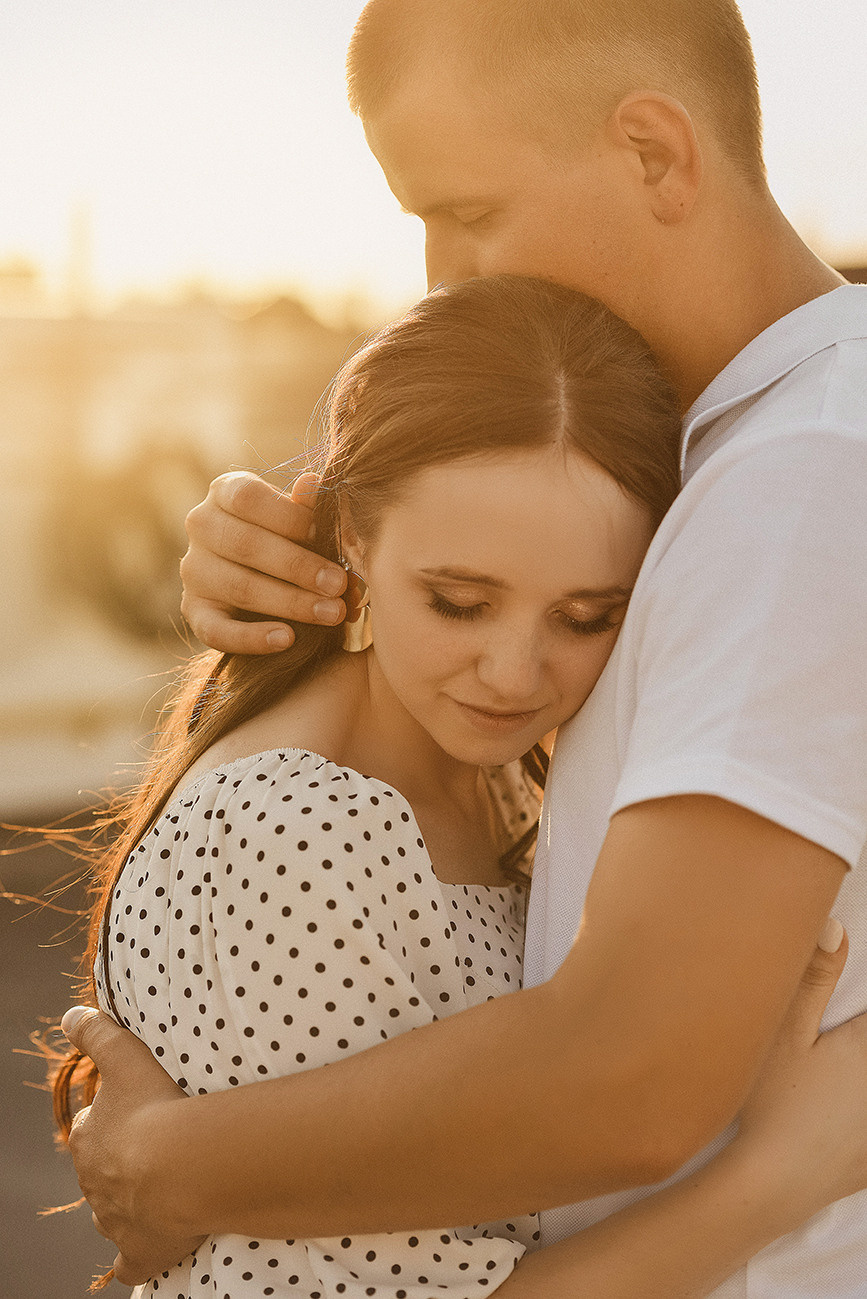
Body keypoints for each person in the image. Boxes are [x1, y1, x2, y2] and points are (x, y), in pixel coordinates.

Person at [62, 2, 867, 1295]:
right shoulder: (731, 458)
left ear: (655, 154)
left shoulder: (805, 472)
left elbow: (636, 1076)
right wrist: (317, 577)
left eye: (469, 211)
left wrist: (168, 1167)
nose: (443, 274)